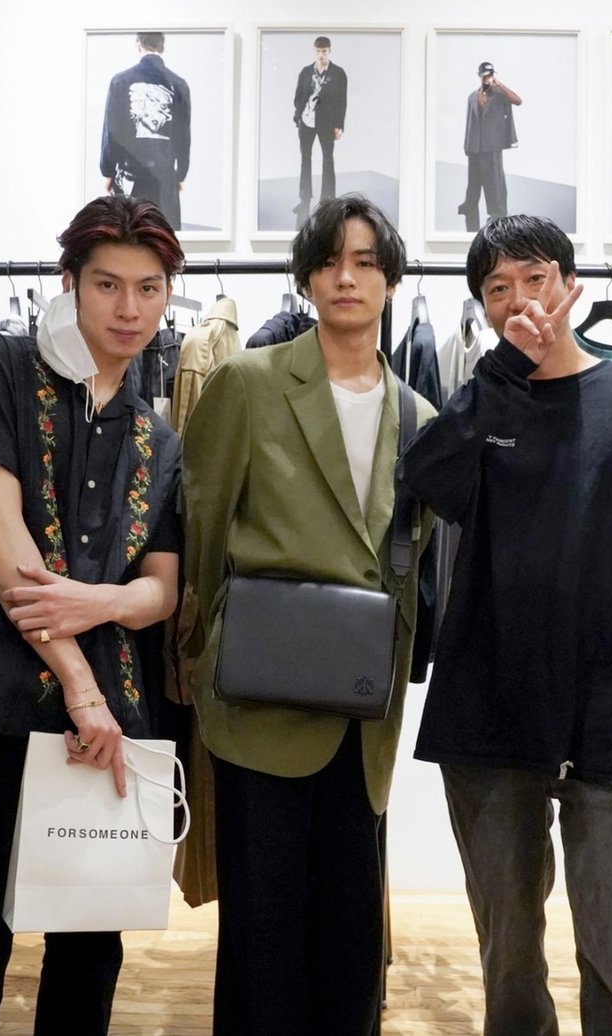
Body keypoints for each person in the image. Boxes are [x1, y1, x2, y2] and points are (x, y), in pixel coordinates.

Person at [399, 214, 612, 1035]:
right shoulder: (485, 398)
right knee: (508, 953)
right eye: (498, 288)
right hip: (490, 708)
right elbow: (426, 479)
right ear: (482, 307)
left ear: (571, 285)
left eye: (535, 278)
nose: (520, 299)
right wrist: (502, 370)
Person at [0, 195, 184, 1035]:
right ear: (68, 284)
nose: (129, 308)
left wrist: (104, 602)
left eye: (148, 288)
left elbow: (163, 587)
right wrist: (80, 682)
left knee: (89, 957)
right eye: (107, 285)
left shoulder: (156, 436)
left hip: (103, 732)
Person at [181, 193, 434, 1035]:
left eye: (365, 262)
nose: (346, 278)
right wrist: (205, 653)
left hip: (362, 711)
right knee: (262, 929)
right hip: (262, 696)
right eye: (329, 261)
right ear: (306, 278)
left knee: (351, 932)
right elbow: (204, 527)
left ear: (391, 279)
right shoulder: (249, 383)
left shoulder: (419, 415)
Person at [100, 32, 192, 231]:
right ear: (162, 46)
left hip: (129, 176)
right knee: (162, 237)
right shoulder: (179, 84)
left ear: (138, 44)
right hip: (164, 177)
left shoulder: (120, 81)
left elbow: (112, 132)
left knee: (128, 234)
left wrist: (108, 171)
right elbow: (183, 137)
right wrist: (180, 174)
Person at [457, 61, 522, 232]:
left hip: (493, 145)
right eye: (485, 75)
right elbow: (469, 122)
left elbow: (518, 101)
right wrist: (466, 144)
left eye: (490, 75)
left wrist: (499, 84)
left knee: (494, 181)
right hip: (475, 146)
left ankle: (497, 212)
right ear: (479, 76)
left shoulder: (500, 94)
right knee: (473, 181)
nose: (487, 78)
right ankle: (469, 205)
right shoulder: (472, 97)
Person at [292, 36, 348, 224]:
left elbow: (342, 101)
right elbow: (298, 96)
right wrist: (298, 116)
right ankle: (304, 198)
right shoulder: (306, 72)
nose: (321, 55)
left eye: (324, 51)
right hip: (306, 121)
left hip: (326, 123)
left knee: (327, 160)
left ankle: (328, 199)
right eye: (318, 51)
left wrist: (339, 125)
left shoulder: (338, 73)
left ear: (329, 51)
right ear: (314, 51)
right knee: (305, 160)